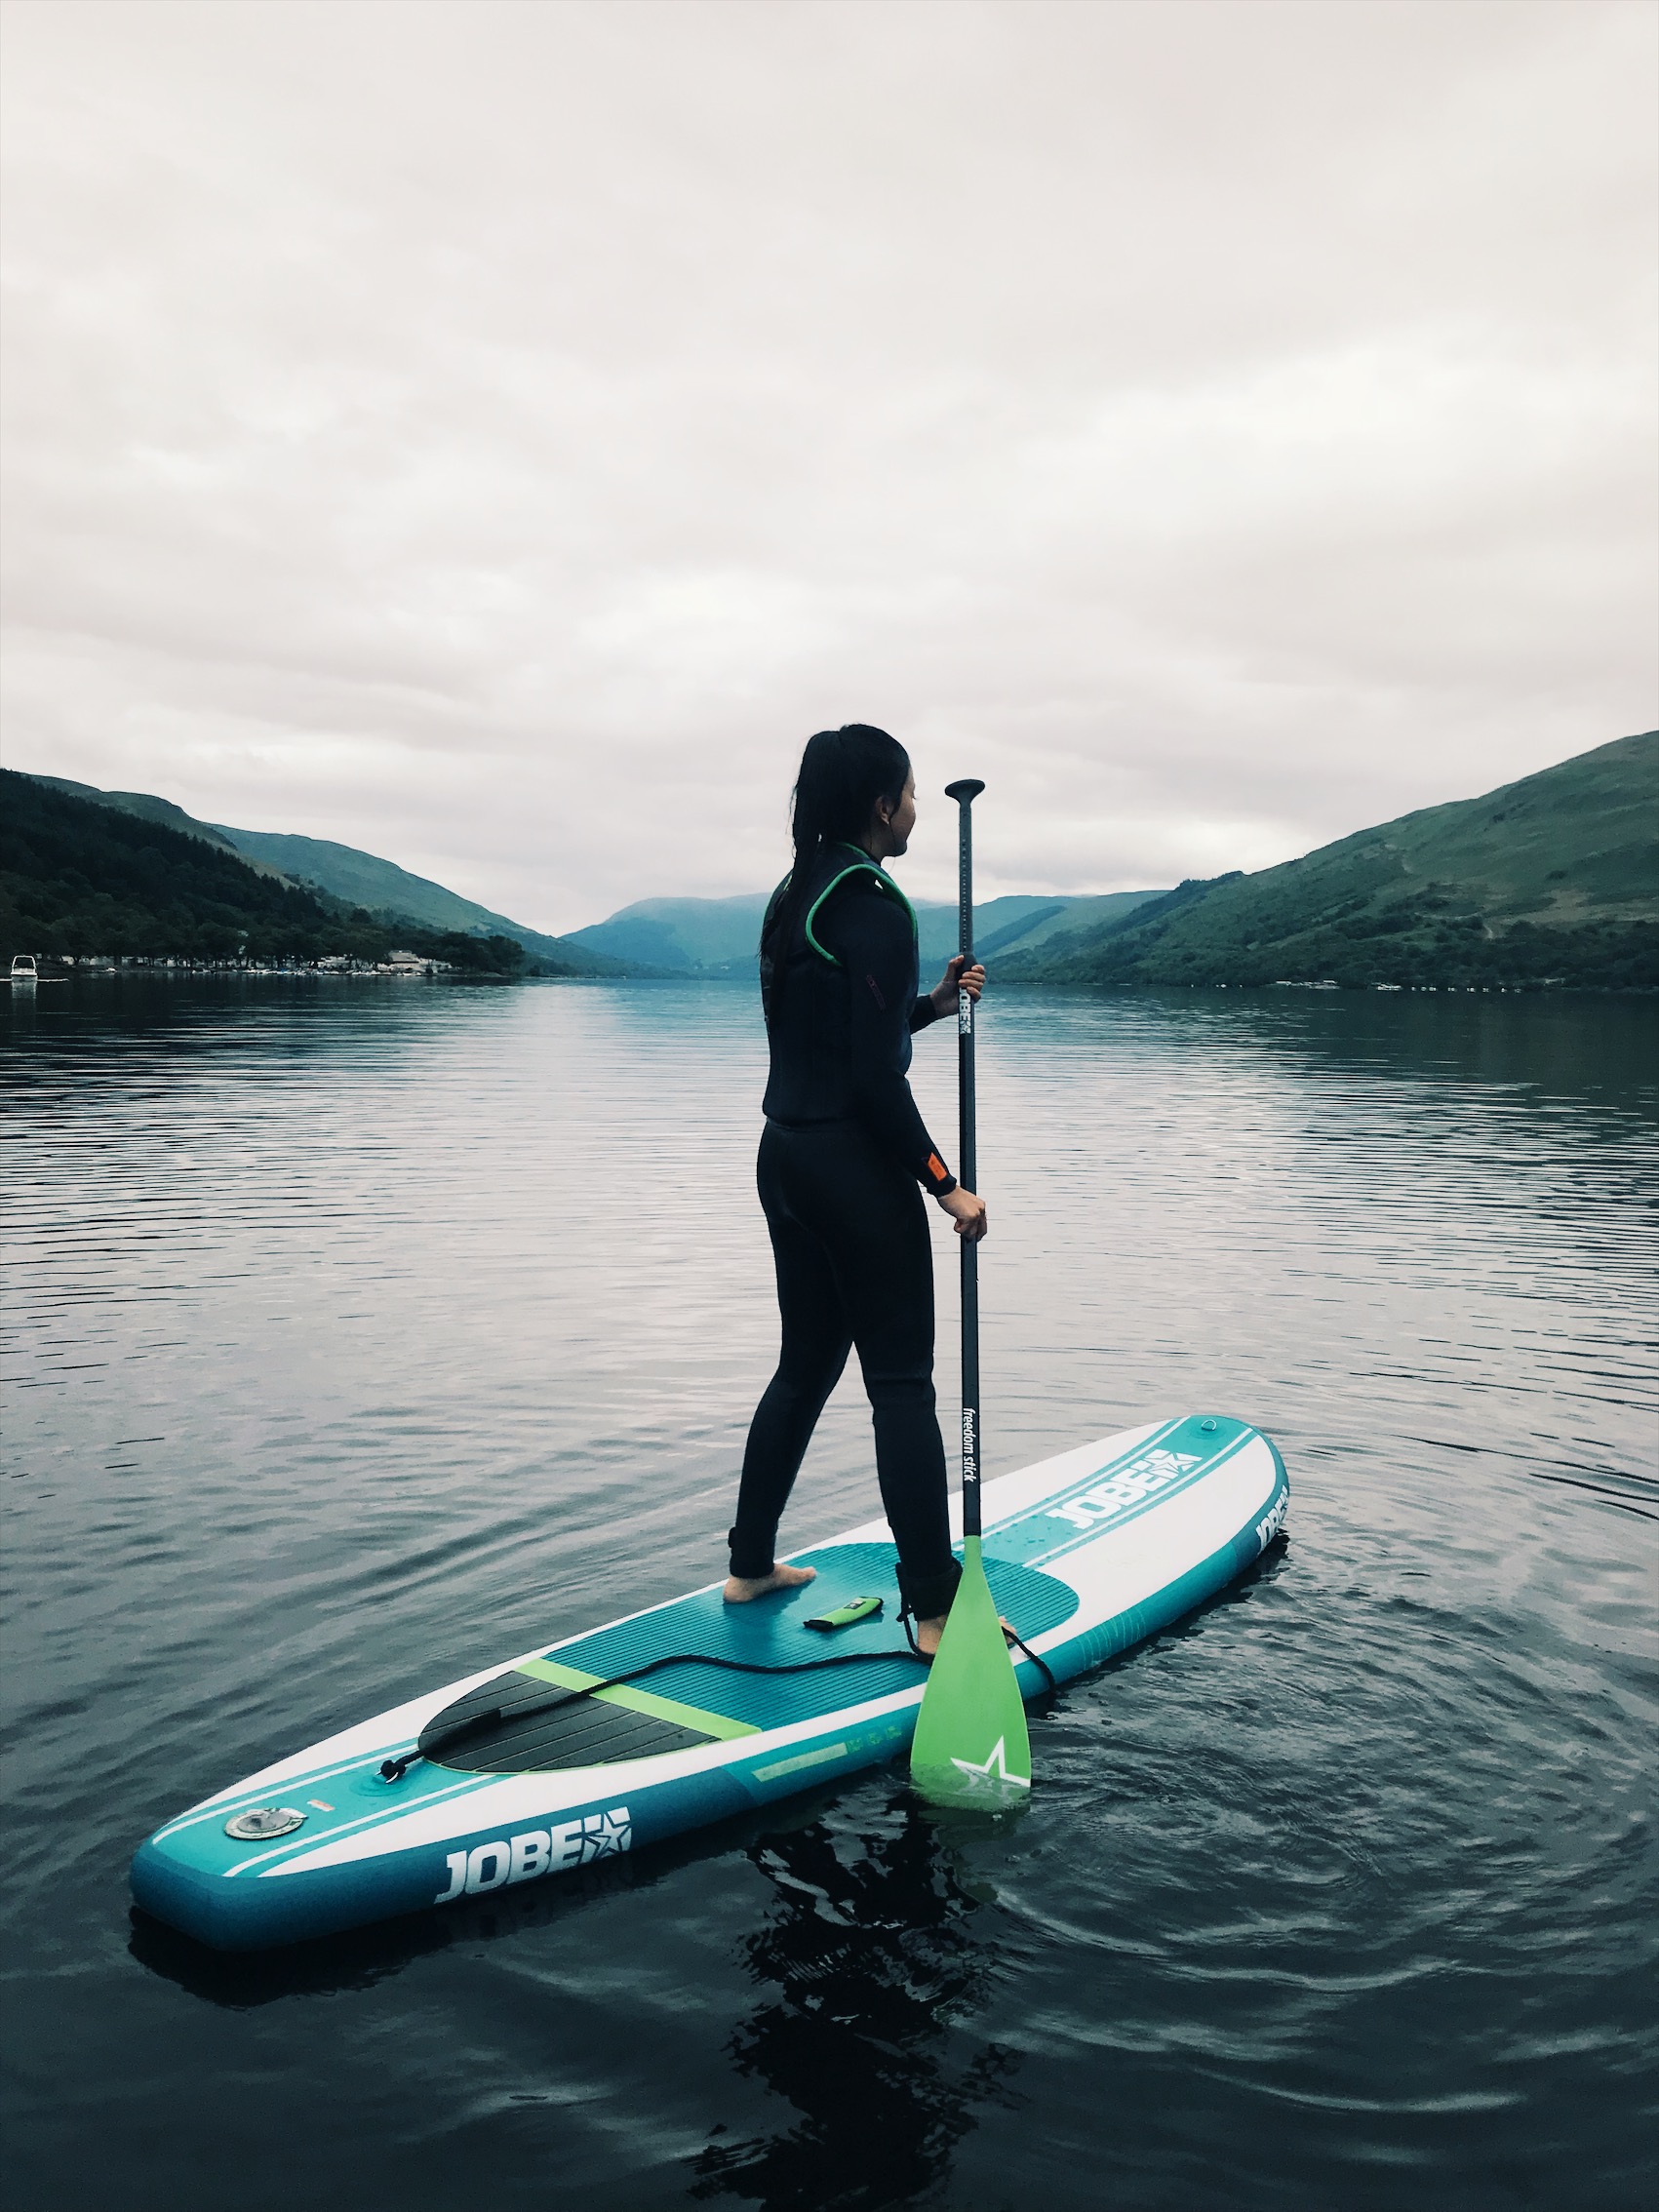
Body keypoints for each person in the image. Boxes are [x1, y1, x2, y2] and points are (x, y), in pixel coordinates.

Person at [725, 725, 987, 1656]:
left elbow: (842, 1038)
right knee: (902, 1385)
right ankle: (936, 1609)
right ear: (883, 806)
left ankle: (750, 1561)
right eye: (910, 794)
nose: (917, 808)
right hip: (852, 1171)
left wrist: (931, 1004)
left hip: (786, 1158)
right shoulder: (873, 900)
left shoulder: (794, 894)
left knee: (804, 1365)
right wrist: (945, 1186)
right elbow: (877, 1083)